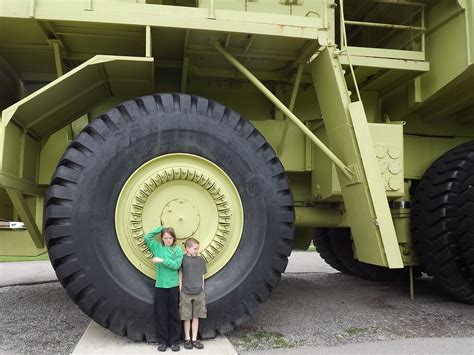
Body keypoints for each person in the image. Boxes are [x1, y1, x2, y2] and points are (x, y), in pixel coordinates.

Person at [144, 226, 183, 352]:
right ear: (162, 238)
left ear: (173, 238)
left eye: (170, 238)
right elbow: (147, 237)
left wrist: (162, 260)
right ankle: (162, 342)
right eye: (165, 238)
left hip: (173, 286)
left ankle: (174, 342)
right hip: (160, 286)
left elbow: (176, 265)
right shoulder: (157, 248)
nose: (167, 240)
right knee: (160, 314)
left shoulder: (177, 249)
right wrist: (160, 228)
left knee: (174, 314)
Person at [179, 238, 207, 350]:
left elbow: (202, 275)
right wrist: (180, 289)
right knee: (186, 317)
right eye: (195, 249)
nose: (197, 251)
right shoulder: (183, 259)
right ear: (187, 249)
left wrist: (202, 288)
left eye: (197, 249)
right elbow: (180, 274)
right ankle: (187, 339)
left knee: (196, 317)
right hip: (185, 292)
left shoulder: (200, 259)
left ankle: (194, 339)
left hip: (198, 292)